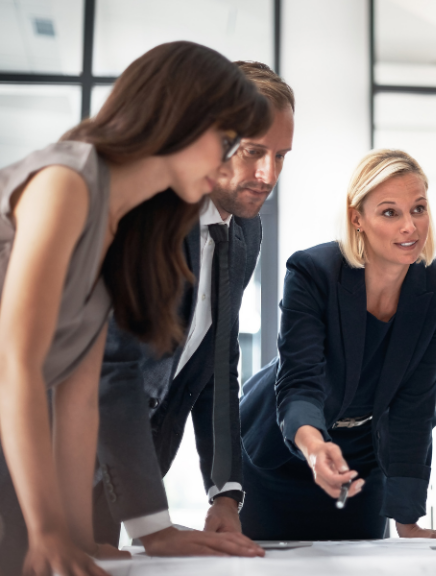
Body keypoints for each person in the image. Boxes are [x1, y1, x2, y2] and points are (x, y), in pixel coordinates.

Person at [0, 41, 270, 576]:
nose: (225, 166)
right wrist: (49, 532)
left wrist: (78, 539)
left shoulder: (127, 226)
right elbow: (19, 367)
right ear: (177, 118)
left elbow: (79, 392)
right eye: (225, 142)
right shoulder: (65, 183)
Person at [92, 62, 294, 556]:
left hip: (129, 465)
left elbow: (218, 362)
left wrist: (224, 492)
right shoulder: (148, 213)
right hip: (59, 450)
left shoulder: (247, 231)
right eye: (252, 152)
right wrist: (153, 525)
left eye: (281, 156)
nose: (268, 175)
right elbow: (111, 367)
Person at [239, 149, 436, 540]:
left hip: (360, 459)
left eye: (419, 209)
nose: (410, 227)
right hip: (285, 448)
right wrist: (314, 449)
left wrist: (408, 520)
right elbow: (299, 384)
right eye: (390, 212)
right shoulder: (313, 273)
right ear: (357, 218)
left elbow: (415, 403)